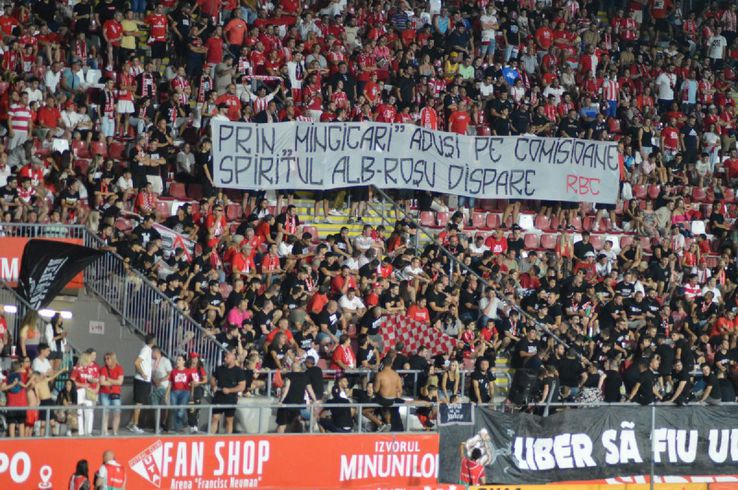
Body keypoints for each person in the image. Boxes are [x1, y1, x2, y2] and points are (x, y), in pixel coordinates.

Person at [210, 348, 246, 434]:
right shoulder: (220, 368)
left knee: (229, 420)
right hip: (218, 397)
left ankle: (227, 438)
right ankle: (210, 438)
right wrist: (213, 385)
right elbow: (212, 379)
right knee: (215, 418)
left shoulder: (238, 371)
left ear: (233, 359)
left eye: (227, 358)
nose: (224, 359)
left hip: (230, 398)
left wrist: (230, 390)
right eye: (225, 357)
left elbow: (242, 386)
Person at [276, 360, 317, 433]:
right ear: (300, 368)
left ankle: (277, 441)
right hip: (299, 406)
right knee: (299, 423)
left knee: (282, 425)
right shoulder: (305, 376)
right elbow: (310, 389)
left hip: (287, 404)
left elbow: (286, 388)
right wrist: (314, 400)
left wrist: (281, 400)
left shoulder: (289, 375)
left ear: (292, 368)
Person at [128, 334, 154, 434]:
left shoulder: (148, 350)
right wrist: (143, 373)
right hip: (142, 380)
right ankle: (135, 425)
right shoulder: (146, 349)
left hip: (144, 381)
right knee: (138, 403)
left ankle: (131, 423)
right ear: (153, 341)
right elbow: (137, 362)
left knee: (139, 403)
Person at [70, 351, 99, 436]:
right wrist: (81, 384)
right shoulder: (77, 368)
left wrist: (93, 381)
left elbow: (92, 379)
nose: (91, 361)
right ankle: (80, 431)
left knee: (89, 411)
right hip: (79, 391)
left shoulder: (89, 369)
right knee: (79, 411)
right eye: (89, 359)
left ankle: (88, 431)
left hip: (88, 391)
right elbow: (72, 381)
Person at [374, 353, 403, 431]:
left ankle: (381, 423)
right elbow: (400, 389)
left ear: (383, 364)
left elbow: (375, 390)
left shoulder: (380, 375)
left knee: (368, 407)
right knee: (385, 407)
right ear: (391, 364)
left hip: (383, 399)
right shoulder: (396, 375)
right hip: (393, 399)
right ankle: (388, 423)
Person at [99, 352, 124, 436]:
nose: (106, 360)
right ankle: (105, 431)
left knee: (117, 412)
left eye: (108, 358)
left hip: (115, 393)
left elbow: (120, 382)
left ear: (113, 359)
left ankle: (115, 431)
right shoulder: (103, 369)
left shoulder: (119, 368)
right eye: (105, 359)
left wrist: (109, 380)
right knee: (105, 412)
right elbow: (102, 382)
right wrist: (114, 382)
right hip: (104, 393)